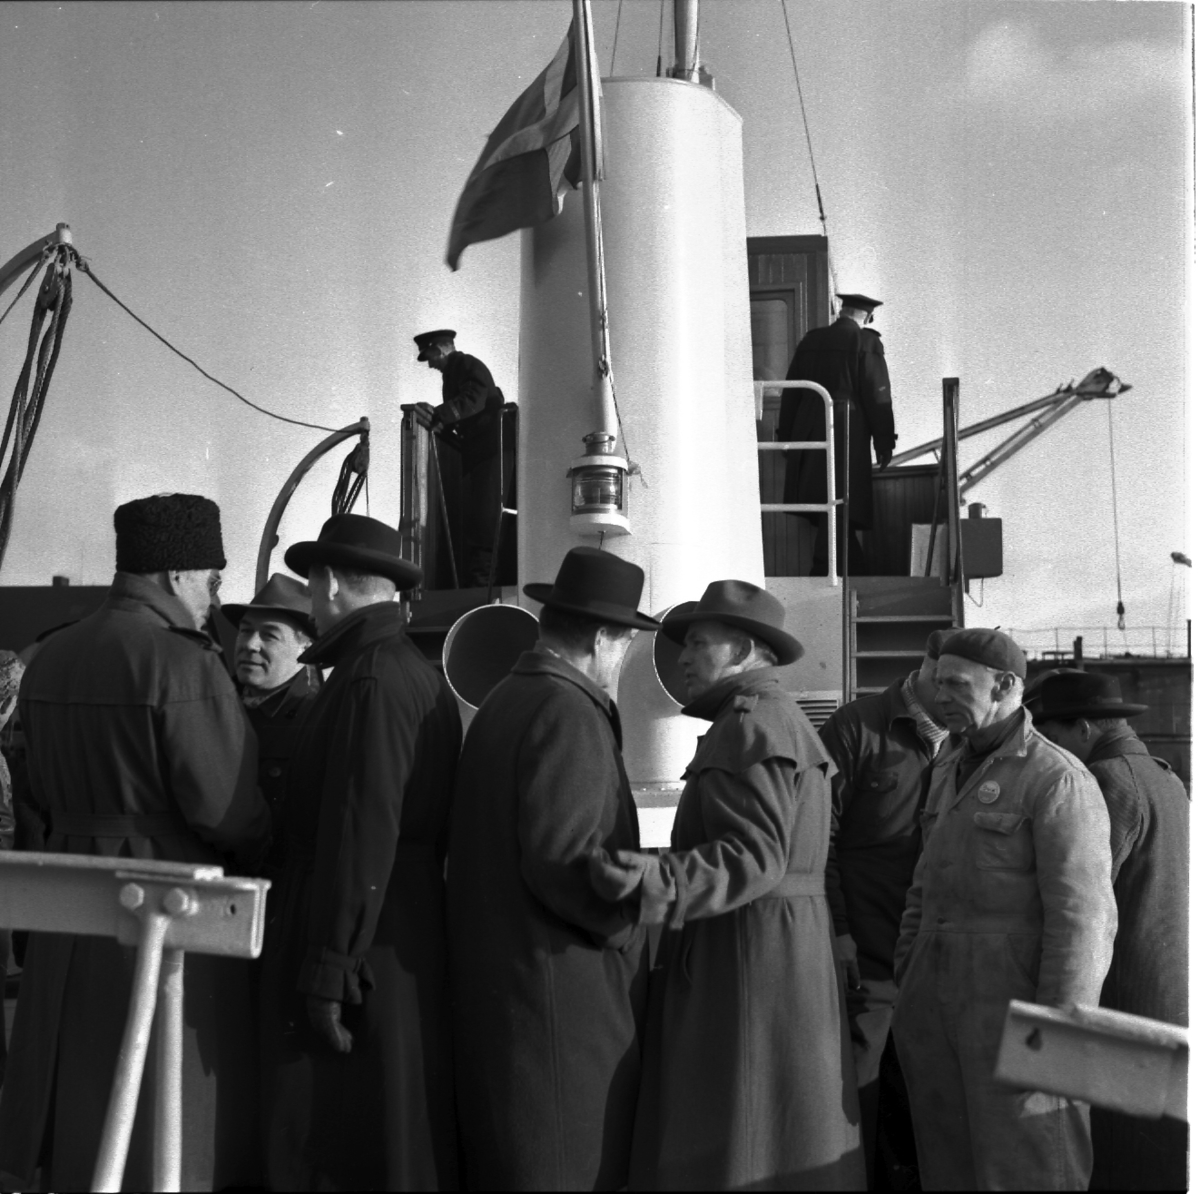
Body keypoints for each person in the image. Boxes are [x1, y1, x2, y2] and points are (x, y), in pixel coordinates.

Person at [0, 494, 270, 1192]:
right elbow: (226, 809)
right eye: (212, 579)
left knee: (77, 1086)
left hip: (68, 904)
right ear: (177, 575)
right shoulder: (183, 664)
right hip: (164, 900)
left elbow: (31, 787)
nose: (215, 598)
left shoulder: (52, 658)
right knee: (165, 1104)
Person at [590, 580, 866, 1190]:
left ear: (741, 650)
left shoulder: (750, 723)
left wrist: (654, 879)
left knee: (739, 1125)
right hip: (778, 947)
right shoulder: (771, 717)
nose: (684, 659)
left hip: (748, 954)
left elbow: (756, 855)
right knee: (781, 1123)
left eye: (699, 644)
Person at [446, 547, 656, 1191]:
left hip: (508, 997)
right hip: (561, 1004)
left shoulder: (507, 697)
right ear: (600, 638)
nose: (622, 659)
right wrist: (629, 928)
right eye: (624, 643)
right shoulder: (567, 710)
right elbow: (564, 861)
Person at [261, 513, 460, 1191]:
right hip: (397, 929)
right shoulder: (408, 672)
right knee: (392, 1132)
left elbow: (360, 830)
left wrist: (331, 967)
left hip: (362, 939)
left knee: (342, 1137)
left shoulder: (367, 679)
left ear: (330, 585)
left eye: (312, 588)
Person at [892, 629, 1116, 1191]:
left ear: (1005, 686)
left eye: (956, 684)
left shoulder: (1056, 777)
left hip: (1019, 1013)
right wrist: (909, 967)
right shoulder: (949, 766)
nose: (939, 695)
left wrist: (1057, 1032)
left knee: (1032, 1164)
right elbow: (924, 884)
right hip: (935, 1007)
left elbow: (1085, 921)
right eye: (937, 682)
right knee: (948, 1165)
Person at [1032, 670, 1188, 1191]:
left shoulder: (1104, 780)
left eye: (1050, 734)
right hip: (1165, 992)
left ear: (1082, 728)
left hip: (1120, 998)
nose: (1049, 749)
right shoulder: (1164, 776)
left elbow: (1081, 899)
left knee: (1111, 1154)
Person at [821, 627, 951, 1184]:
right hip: (867, 955)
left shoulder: (972, 739)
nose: (953, 693)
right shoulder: (855, 727)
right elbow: (818, 838)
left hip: (936, 958)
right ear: (927, 665)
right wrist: (838, 931)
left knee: (926, 1100)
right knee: (858, 1089)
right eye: (946, 678)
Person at [779, 294, 896, 575]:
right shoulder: (866, 342)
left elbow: (791, 391)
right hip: (846, 428)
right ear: (867, 317)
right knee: (841, 497)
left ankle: (850, 567)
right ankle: (824, 568)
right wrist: (884, 442)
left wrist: (786, 438)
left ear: (842, 311)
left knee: (826, 500)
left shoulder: (811, 340)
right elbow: (877, 395)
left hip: (809, 424)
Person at [222, 572, 321, 879]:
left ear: (305, 648)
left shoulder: (315, 718)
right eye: (245, 631)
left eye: (269, 635)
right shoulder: (213, 704)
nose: (250, 645)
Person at [414, 328, 506, 587]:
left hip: (491, 450)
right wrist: (442, 425)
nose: (430, 364)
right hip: (480, 453)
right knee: (480, 518)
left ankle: (483, 582)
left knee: (486, 519)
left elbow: (473, 400)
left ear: (441, 349)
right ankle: (481, 578)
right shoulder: (453, 373)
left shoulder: (466, 364)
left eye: (430, 356)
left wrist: (438, 415)